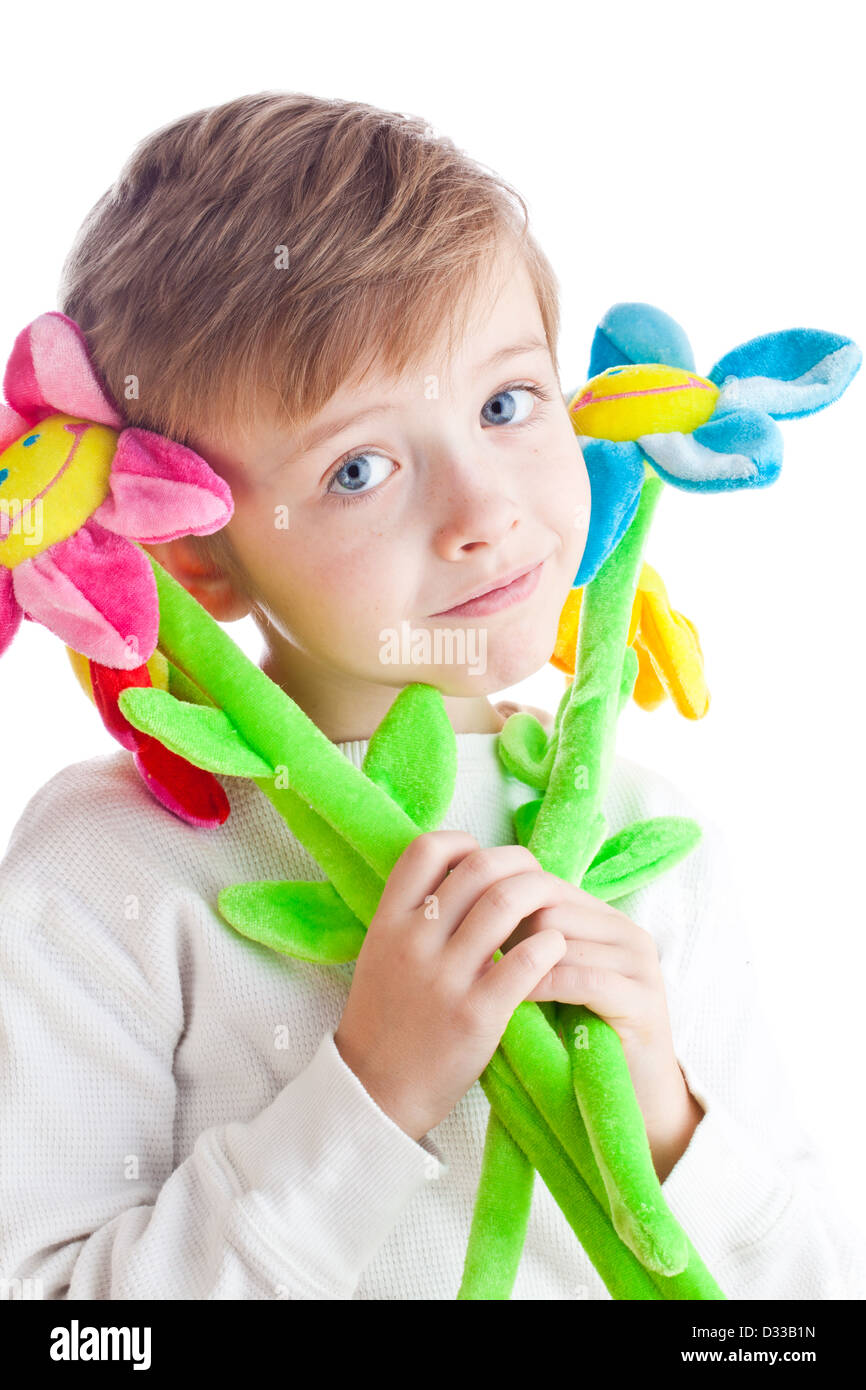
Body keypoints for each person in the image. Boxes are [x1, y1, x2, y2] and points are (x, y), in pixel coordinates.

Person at [0, 92, 862, 1302]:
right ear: (198, 553)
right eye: (358, 469)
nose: (486, 512)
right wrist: (370, 1090)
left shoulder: (648, 837)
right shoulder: (110, 867)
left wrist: (666, 1124)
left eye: (507, 404)